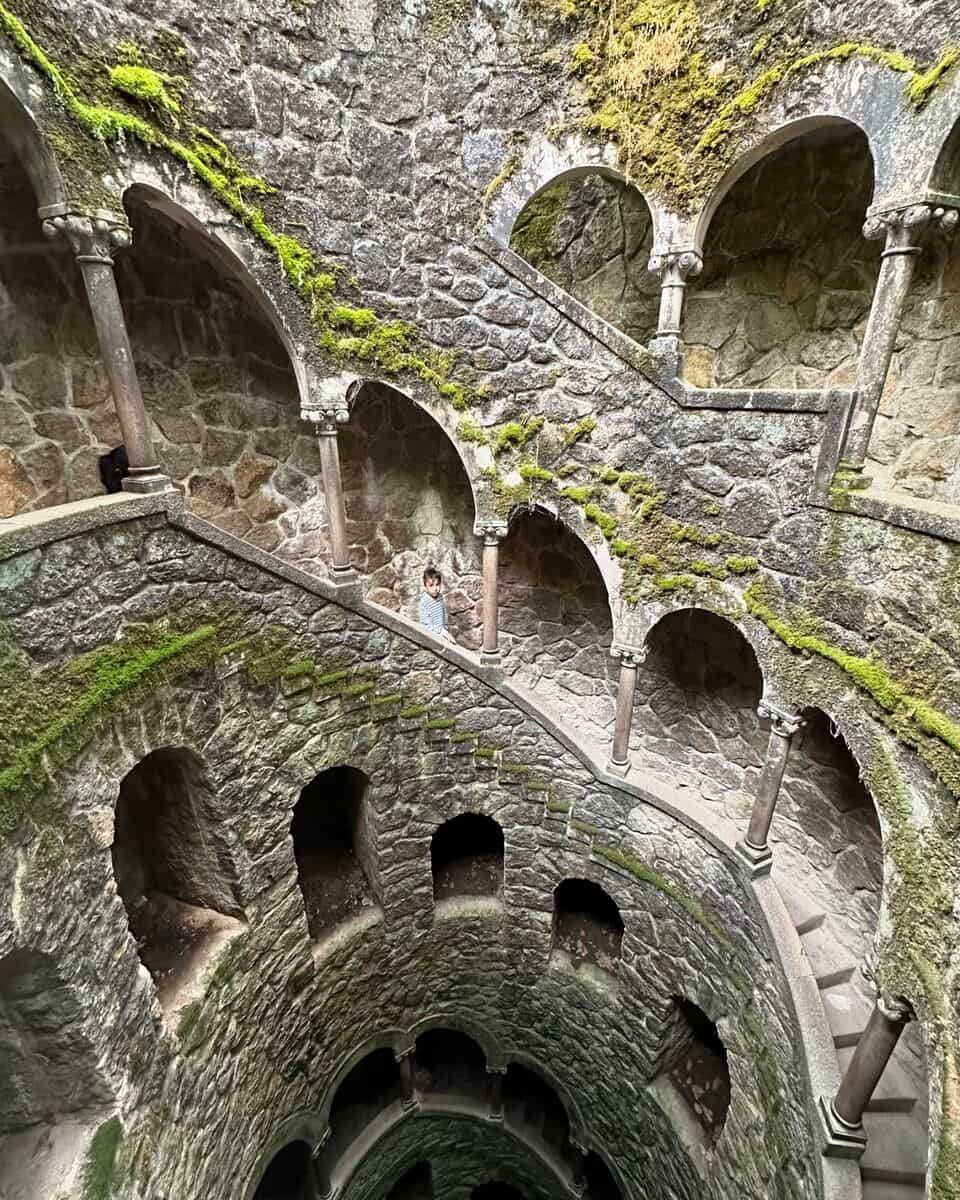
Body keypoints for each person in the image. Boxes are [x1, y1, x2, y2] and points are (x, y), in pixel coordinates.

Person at [418, 566, 455, 642]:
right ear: (425, 586)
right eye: (431, 585)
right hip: (431, 637)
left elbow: (443, 613)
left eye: (437, 584)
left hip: (442, 634)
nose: (435, 588)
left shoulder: (440, 597)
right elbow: (425, 624)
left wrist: (445, 629)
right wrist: (440, 631)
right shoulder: (424, 602)